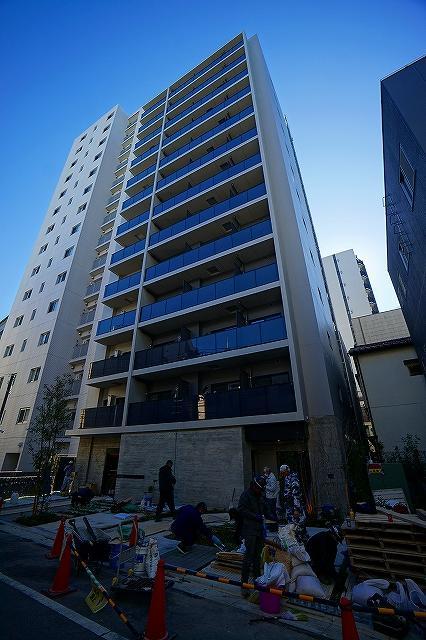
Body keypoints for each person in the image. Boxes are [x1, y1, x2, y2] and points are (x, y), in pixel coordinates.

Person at [237, 475, 267, 597]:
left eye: (261, 489)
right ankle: (244, 584)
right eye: (258, 488)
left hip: (259, 530)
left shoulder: (260, 495)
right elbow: (241, 510)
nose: (260, 490)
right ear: (254, 486)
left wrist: (269, 515)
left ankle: (257, 580)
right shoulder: (246, 495)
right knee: (248, 557)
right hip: (250, 530)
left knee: (257, 557)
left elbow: (263, 508)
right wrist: (255, 517)